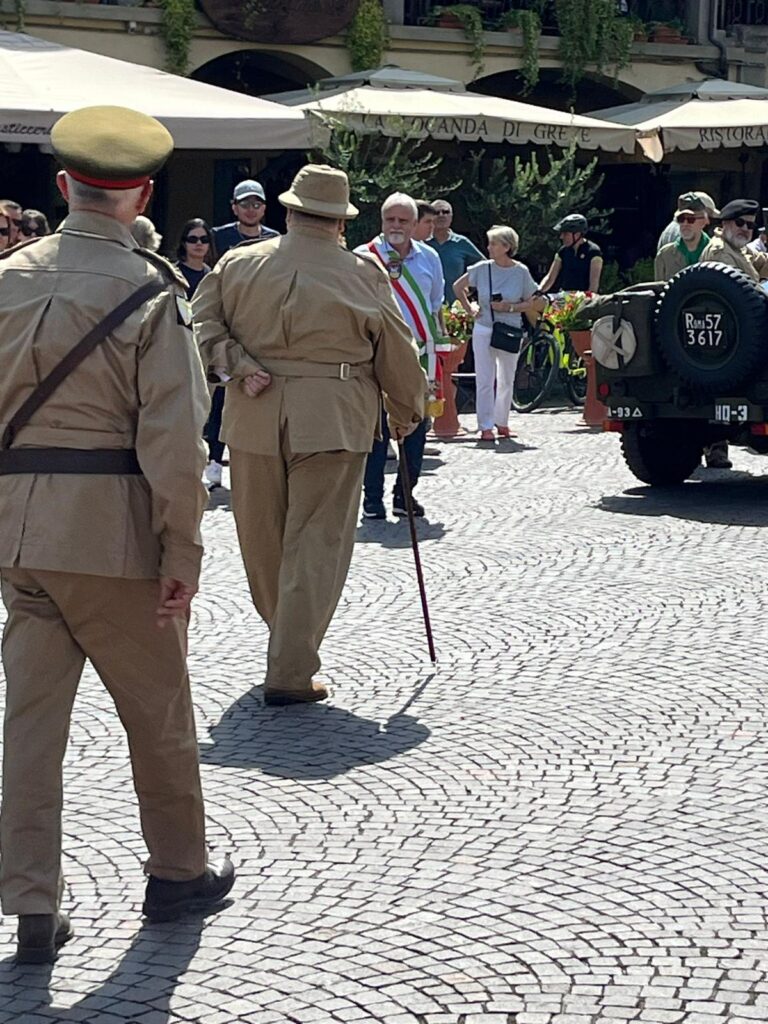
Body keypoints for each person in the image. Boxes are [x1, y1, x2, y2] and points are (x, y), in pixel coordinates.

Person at [0, 105, 235, 964]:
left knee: (29, 725)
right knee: (158, 715)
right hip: (113, 537)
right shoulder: (149, 289)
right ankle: (178, 872)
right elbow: (174, 444)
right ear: (139, 195)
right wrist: (183, 553)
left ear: (63, 187)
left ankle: (30, 904)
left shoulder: (7, 278)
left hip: (19, 535)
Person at [193, 164, 425, 707]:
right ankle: (291, 666)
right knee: (314, 545)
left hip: (253, 414)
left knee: (263, 542)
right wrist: (406, 410)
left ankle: (285, 643)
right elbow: (397, 350)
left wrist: (237, 362)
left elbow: (199, 325)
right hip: (333, 417)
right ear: (340, 224)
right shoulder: (363, 274)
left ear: (290, 211)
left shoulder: (235, 263)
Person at [355, 192, 445, 520]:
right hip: (374, 357)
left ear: (414, 224)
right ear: (381, 222)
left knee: (418, 427)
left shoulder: (429, 258)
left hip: (418, 357)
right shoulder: (363, 257)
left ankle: (405, 495)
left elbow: (435, 305)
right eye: (390, 220)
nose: (396, 226)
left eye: (403, 221)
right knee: (375, 431)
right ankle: (373, 498)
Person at [454, 225, 537, 442]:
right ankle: (485, 425)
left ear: (507, 247)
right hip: (484, 328)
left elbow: (533, 301)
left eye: (493, 243)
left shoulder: (521, 272)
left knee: (507, 378)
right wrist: (470, 307)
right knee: (484, 377)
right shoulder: (482, 268)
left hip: (510, 330)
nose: (489, 247)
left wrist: (509, 307)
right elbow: (458, 287)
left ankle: (503, 422)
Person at [176, 218, 224, 490]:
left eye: (203, 239)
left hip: (210, 351)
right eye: (193, 239)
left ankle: (215, 461)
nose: (198, 244)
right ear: (183, 243)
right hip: (182, 349)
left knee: (216, 407)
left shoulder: (213, 276)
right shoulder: (174, 273)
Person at [428, 198, 483, 303]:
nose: (441, 215)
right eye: (436, 212)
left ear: (451, 217)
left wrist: (469, 287)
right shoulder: (422, 243)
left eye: (445, 212)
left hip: (455, 309)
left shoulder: (461, 242)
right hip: (426, 305)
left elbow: (483, 267)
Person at [212, 179, 279, 256]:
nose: (251, 210)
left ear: (263, 209)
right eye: (244, 205)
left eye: (256, 205)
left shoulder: (274, 238)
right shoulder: (219, 236)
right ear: (235, 208)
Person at [539, 214, 603, 294]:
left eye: (565, 234)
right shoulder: (563, 251)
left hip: (584, 298)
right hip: (564, 296)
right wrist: (538, 292)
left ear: (577, 234)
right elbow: (550, 277)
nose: (561, 237)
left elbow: (593, 286)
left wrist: (587, 303)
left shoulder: (593, 252)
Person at [654, 195, 711, 279]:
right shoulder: (664, 255)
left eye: (691, 219)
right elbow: (659, 288)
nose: (685, 224)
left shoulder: (716, 253)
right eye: (681, 219)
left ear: (704, 221)